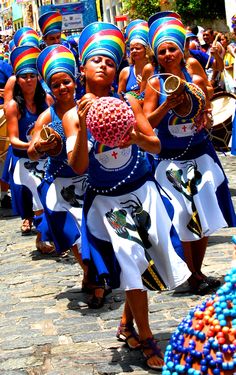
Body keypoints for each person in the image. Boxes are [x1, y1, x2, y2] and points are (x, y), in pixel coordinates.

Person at [62, 21, 191, 370]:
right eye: (95, 60)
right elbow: (78, 167)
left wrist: (134, 136)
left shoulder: (130, 102)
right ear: (83, 68)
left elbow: (155, 143)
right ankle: (147, 339)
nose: (103, 65)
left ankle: (127, 323)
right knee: (133, 258)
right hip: (107, 202)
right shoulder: (74, 115)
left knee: (145, 259)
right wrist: (86, 128)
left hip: (141, 190)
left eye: (108, 60)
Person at [143, 12, 236, 295]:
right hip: (170, 159)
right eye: (162, 51)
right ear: (155, 55)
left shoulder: (193, 65)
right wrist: (167, 105)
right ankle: (191, 273)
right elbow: (147, 122)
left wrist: (204, 113)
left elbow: (204, 101)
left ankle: (196, 271)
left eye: (173, 48)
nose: (168, 54)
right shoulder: (154, 80)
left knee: (205, 211)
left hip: (199, 151)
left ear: (182, 50)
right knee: (182, 213)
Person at [27, 44, 107, 308]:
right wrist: (41, 146)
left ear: (75, 82)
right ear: (50, 88)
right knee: (75, 237)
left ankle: (93, 278)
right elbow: (31, 151)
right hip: (60, 187)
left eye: (66, 82)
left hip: (89, 183)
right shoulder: (46, 117)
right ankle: (91, 275)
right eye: (56, 84)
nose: (62, 88)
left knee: (92, 233)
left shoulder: (88, 107)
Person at [5, 45, 54, 251]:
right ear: (18, 80)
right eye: (24, 76)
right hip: (23, 159)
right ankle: (42, 234)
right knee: (35, 188)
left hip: (46, 157)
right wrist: (34, 146)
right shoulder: (13, 106)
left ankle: (48, 233)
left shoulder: (47, 101)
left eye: (33, 76)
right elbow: (13, 139)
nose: (29, 80)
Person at [118, 19, 152, 96]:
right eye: (131, 49)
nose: (134, 51)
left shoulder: (154, 70)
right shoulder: (125, 72)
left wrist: (144, 88)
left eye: (138, 48)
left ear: (146, 50)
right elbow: (120, 97)